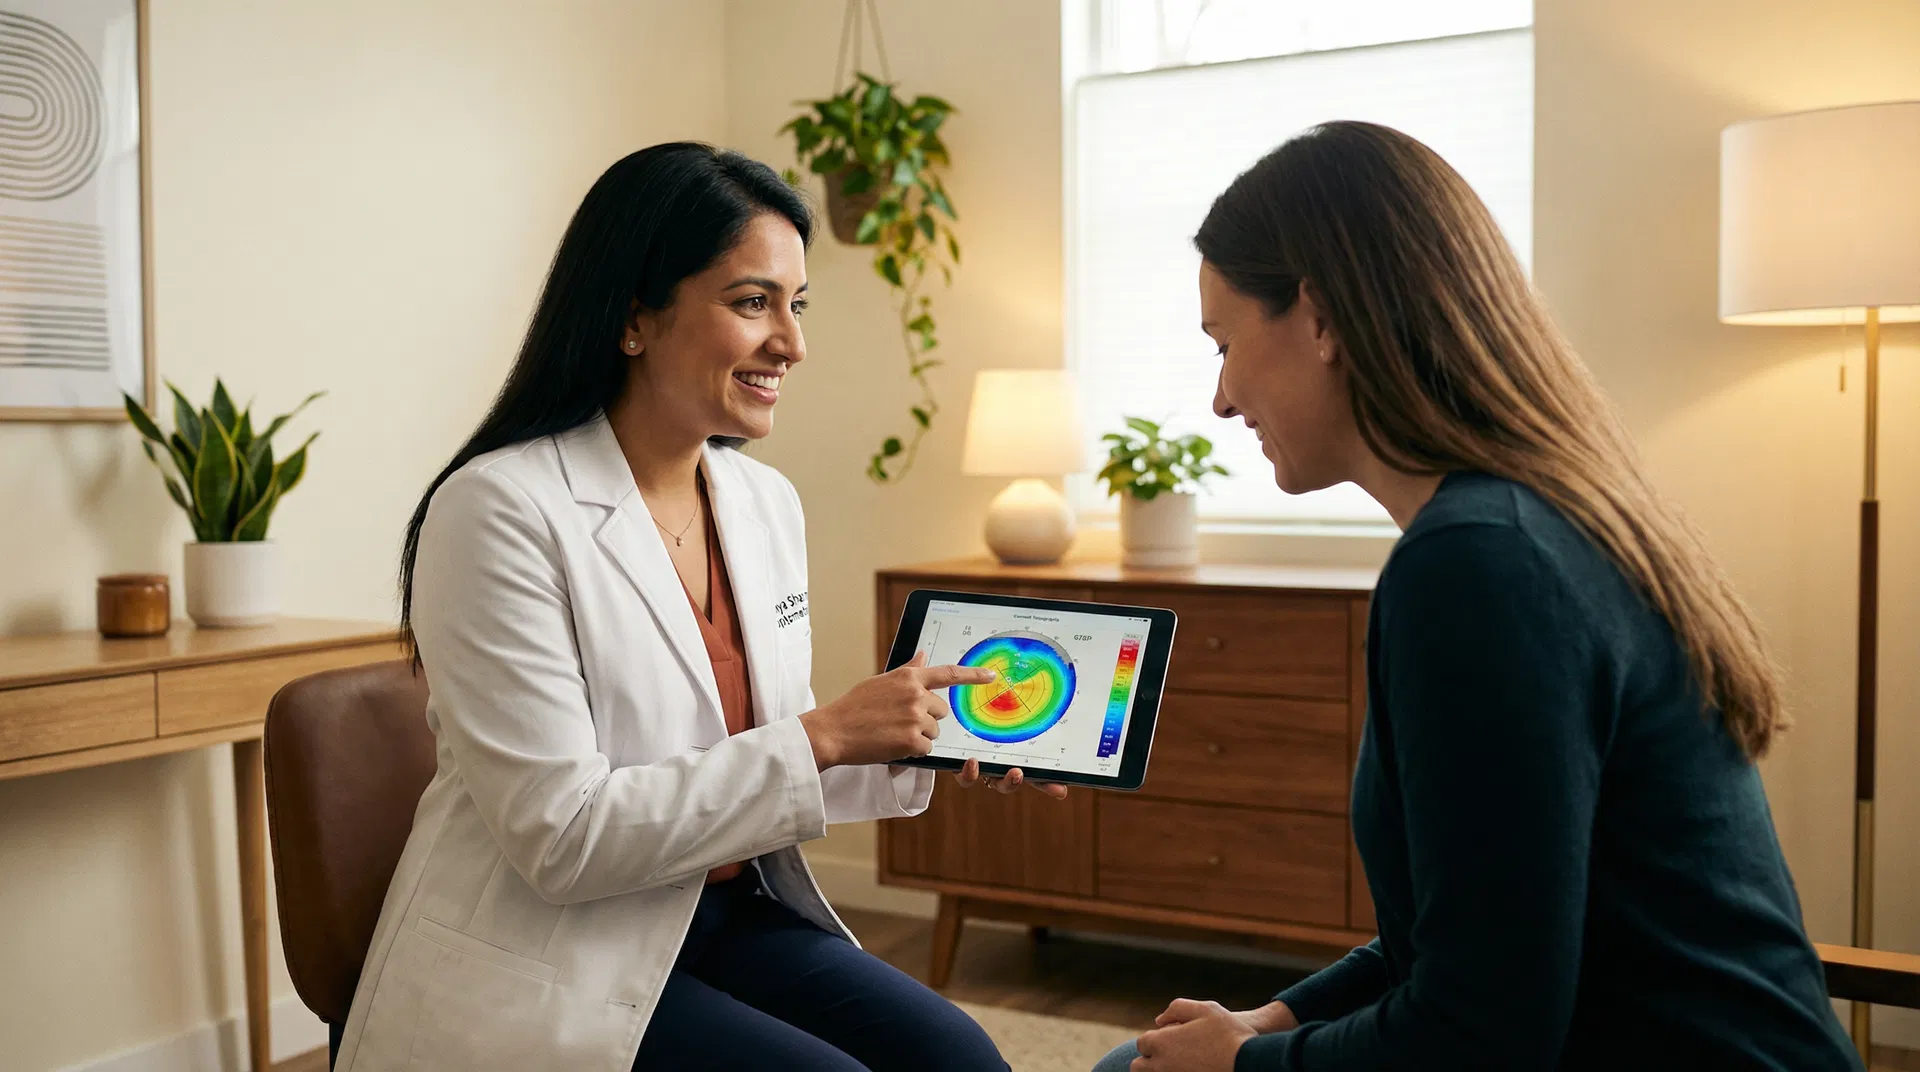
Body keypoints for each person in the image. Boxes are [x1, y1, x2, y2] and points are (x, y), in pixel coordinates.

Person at [1095, 121, 1859, 1071]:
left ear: (1322, 317)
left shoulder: (1479, 568)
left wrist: (1244, 1066)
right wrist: (1270, 1023)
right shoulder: (1526, 525)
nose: (1219, 397)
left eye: (1224, 342)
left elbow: (1479, 1034)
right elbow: (1465, 935)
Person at [334, 143, 1057, 1072]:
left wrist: (921, 733)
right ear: (635, 316)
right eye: (753, 302)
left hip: (722, 912)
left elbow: (761, 753)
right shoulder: (498, 510)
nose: (792, 343)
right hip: (558, 942)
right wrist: (826, 735)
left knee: (962, 1059)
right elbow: (564, 838)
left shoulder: (763, 503)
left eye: (797, 306)